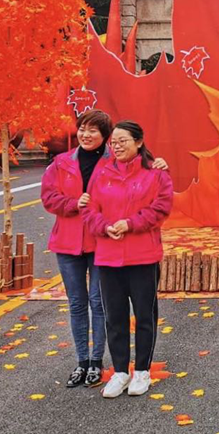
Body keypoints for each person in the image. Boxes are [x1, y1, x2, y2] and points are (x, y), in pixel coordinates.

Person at [40, 110, 167, 390]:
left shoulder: (122, 164)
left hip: (108, 246)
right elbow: (52, 198)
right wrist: (77, 206)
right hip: (77, 241)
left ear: (105, 136)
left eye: (94, 130)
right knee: (80, 303)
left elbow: (154, 191)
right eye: (82, 129)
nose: (86, 134)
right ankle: (84, 362)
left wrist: (128, 222)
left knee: (106, 306)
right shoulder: (63, 163)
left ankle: (104, 363)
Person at [83, 120, 173, 399]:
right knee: (115, 317)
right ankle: (120, 371)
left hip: (142, 254)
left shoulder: (156, 174)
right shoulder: (102, 173)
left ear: (139, 142)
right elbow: (89, 210)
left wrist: (130, 223)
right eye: (114, 142)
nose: (117, 146)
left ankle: (142, 371)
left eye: (123, 141)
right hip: (108, 256)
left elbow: (161, 208)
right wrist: (104, 226)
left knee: (145, 315)